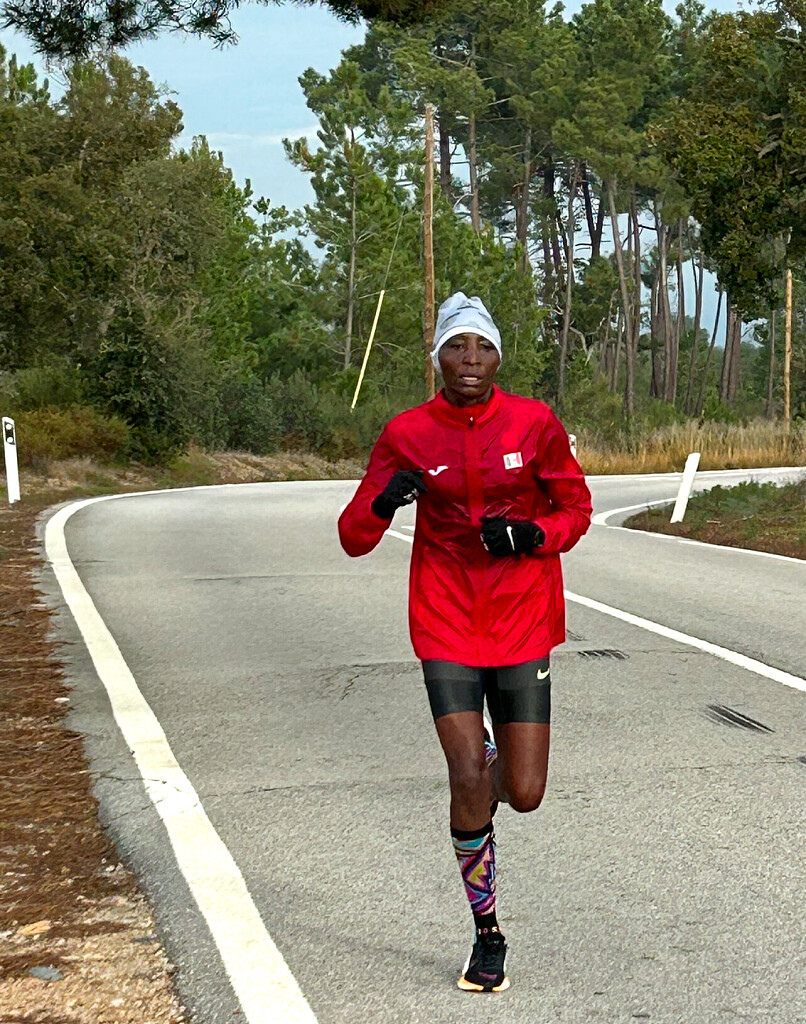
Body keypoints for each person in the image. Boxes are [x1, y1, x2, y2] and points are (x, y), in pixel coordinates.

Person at [338, 291, 592, 993]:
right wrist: (383, 501)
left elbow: (576, 508)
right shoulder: (407, 432)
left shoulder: (534, 422)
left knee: (525, 792)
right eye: (456, 346)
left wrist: (532, 534)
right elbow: (353, 537)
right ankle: (487, 934)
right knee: (465, 773)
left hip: (522, 617)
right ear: (438, 358)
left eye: (482, 347)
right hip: (445, 616)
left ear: (497, 357)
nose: (470, 359)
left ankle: (491, 766)